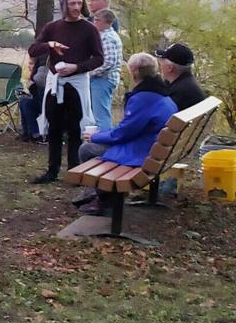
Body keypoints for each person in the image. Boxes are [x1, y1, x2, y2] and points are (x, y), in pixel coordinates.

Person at [75, 53, 177, 214]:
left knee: (87, 149)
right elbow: (128, 129)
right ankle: (97, 193)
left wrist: (94, 136)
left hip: (141, 154)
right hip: (153, 150)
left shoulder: (143, 98)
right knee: (94, 145)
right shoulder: (161, 94)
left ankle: (104, 199)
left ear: (134, 71)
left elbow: (122, 134)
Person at [28, 0, 104, 184]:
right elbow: (34, 49)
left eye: (79, 3)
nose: (76, 8)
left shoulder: (89, 29)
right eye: (72, 4)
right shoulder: (53, 27)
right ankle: (52, 170)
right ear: (64, 5)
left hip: (77, 83)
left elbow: (99, 58)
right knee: (54, 127)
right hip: (56, 83)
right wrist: (50, 45)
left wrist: (76, 67)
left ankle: (74, 170)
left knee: (74, 128)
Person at [90, 9, 123, 132]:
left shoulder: (107, 37)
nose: (95, 22)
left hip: (103, 80)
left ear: (107, 22)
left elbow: (109, 62)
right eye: (94, 19)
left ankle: (102, 143)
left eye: (97, 20)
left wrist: (90, 73)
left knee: (101, 114)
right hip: (102, 79)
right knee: (98, 112)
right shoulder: (104, 35)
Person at [156, 43, 207, 110]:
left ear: (170, 68)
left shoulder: (179, 93)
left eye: (161, 62)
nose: (160, 65)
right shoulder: (186, 83)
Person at [18, 53, 49, 142]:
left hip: (47, 106)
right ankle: (29, 133)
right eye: (29, 63)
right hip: (39, 103)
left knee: (26, 102)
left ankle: (38, 134)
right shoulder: (34, 76)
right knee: (24, 101)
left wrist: (31, 85)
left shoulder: (41, 76)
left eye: (31, 64)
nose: (28, 66)